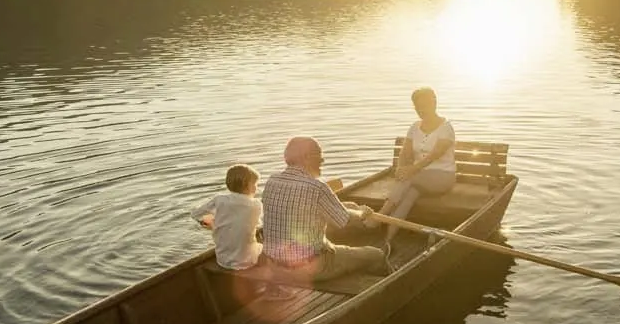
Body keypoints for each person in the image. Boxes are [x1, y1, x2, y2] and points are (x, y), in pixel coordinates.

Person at [259, 136, 388, 282]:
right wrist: (364, 216)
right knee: (376, 255)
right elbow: (344, 221)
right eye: (319, 156)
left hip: (275, 265)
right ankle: (390, 277)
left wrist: (352, 209)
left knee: (348, 208)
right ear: (306, 157)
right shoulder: (317, 187)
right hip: (311, 268)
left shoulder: (272, 180)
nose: (323, 161)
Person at [380, 87, 456, 245]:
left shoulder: (446, 128)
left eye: (424, 106)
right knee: (408, 197)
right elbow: (405, 153)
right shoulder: (414, 127)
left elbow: (433, 156)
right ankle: (388, 239)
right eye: (417, 107)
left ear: (434, 103)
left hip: (442, 177)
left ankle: (379, 215)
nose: (421, 110)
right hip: (416, 178)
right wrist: (401, 168)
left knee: (409, 180)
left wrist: (410, 171)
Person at [191, 164, 263, 270]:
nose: (257, 187)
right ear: (247, 184)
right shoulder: (256, 204)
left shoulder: (219, 200)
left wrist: (208, 223)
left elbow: (195, 214)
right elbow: (259, 224)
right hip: (247, 261)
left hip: (222, 260)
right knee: (262, 242)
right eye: (255, 184)